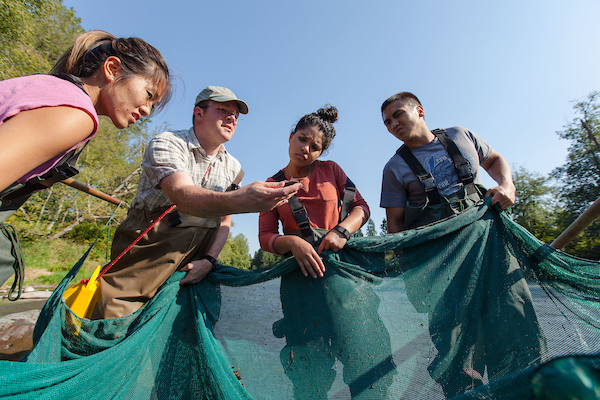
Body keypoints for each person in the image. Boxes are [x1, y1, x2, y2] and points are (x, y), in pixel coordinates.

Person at [380, 91, 547, 397]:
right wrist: (414, 279)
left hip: (492, 249)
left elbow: (494, 159)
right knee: (457, 353)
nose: (393, 124)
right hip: (442, 269)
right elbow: (395, 229)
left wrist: (507, 184)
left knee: (515, 326)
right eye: (387, 122)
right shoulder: (394, 168)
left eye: (398, 115)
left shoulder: (460, 135)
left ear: (419, 110)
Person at [96, 86, 301, 319]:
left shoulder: (234, 167)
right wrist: (243, 200)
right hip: (146, 253)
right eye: (223, 110)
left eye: (235, 116)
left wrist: (210, 260)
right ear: (198, 113)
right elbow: (182, 196)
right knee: (114, 323)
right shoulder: (168, 142)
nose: (231, 118)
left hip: (197, 263)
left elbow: (225, 219)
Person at [0, 30, 172, 293]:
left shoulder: (58, 90)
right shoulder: (77, 113)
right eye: (149, 95)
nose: (147, 111)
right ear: (112, 69)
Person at [259, 105, 395, 399]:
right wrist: (293, 243)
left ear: (321, 153)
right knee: (309, 372)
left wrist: (342, 231)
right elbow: (265, 237)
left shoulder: (332, 171)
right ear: (290, 136)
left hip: (345, 279)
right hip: (300, 285)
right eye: (302, 139)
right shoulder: (271, 185)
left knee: (366, 360)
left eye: (315, 146)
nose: (306, 148)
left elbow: (362, 207)